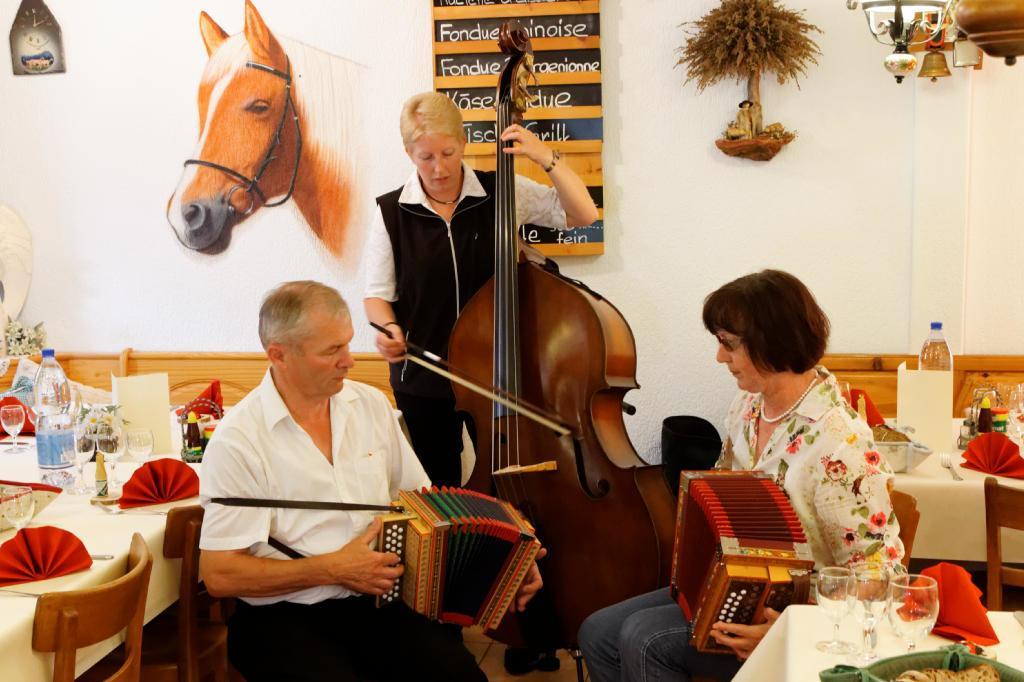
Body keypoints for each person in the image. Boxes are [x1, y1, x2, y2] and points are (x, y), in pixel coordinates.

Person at [198, 281, 543, 682]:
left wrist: (508, 562)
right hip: (283, 617)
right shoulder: (238, 440)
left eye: (347, 344)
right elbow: (220, 574)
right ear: (279, 355)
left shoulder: (371, 406)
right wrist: (331, 569)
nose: (350, 361)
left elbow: (424, 505)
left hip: (380, 605)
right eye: (332, 351)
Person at [578, 269, 903, 682]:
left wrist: (790, 625)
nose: (719, 357)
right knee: (598, 632)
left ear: (772, 342)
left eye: (728, 345)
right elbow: (722, 498)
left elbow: (881, 575)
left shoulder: (840, 442)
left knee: (644, 639)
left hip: (794, 615)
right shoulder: (748, 407)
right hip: (734, 587)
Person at [363, 91, 598, 490]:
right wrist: (388, 329)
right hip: (424, 378)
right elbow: (377, 294)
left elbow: (583, 214)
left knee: (515, 482)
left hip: (503, 374)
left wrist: (546, 158)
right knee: (441, 489)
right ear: (409, 153)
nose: (439, 168)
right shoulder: (391, 212)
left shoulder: (502, 192)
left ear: (464, 142)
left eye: (448, 153)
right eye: (426, 157)